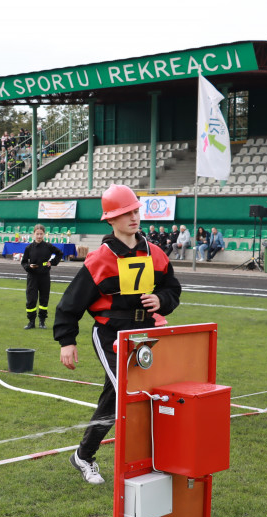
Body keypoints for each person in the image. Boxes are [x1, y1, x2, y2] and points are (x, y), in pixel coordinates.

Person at [54, 184, 182, 484]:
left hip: (146, 332)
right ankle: (144, 464)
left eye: (136, 211)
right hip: (111, 334)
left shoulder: (156, 253)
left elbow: (172, 289)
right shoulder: (99, 259)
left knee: (116, 397)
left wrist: (161, 300)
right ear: (111, 220)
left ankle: (83, 456)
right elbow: (69, 305)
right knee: (131, 393)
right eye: (126, 213)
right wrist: (67, 341)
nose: (133, 217)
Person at [22, 225, 64, 329]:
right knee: (31, 299)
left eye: (41, 234)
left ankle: (42, 321)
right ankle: (31, 322)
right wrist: (29, 266)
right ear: (34, 234)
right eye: (37, 234)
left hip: (44, 276)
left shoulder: (48, 246)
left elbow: (60, 253)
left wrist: (52, 262)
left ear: (44, 234)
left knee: (44, 299)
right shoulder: (29, 248)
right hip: (32, 277)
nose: (39, 236)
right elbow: (23, 262)